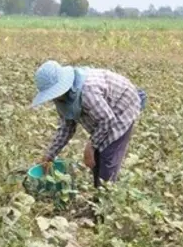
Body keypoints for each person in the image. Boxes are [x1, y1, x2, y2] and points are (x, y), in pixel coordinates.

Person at [32, 60, 144, 188]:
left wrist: (90, 147)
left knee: (107, 156)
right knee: (96, 156)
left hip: (123, 105)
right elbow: (66, 128)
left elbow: (107, 120)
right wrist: (49, 155)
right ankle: (98, 190)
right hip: (105, 114)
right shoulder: (62, 99)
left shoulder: (87, 91)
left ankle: (106, 197)